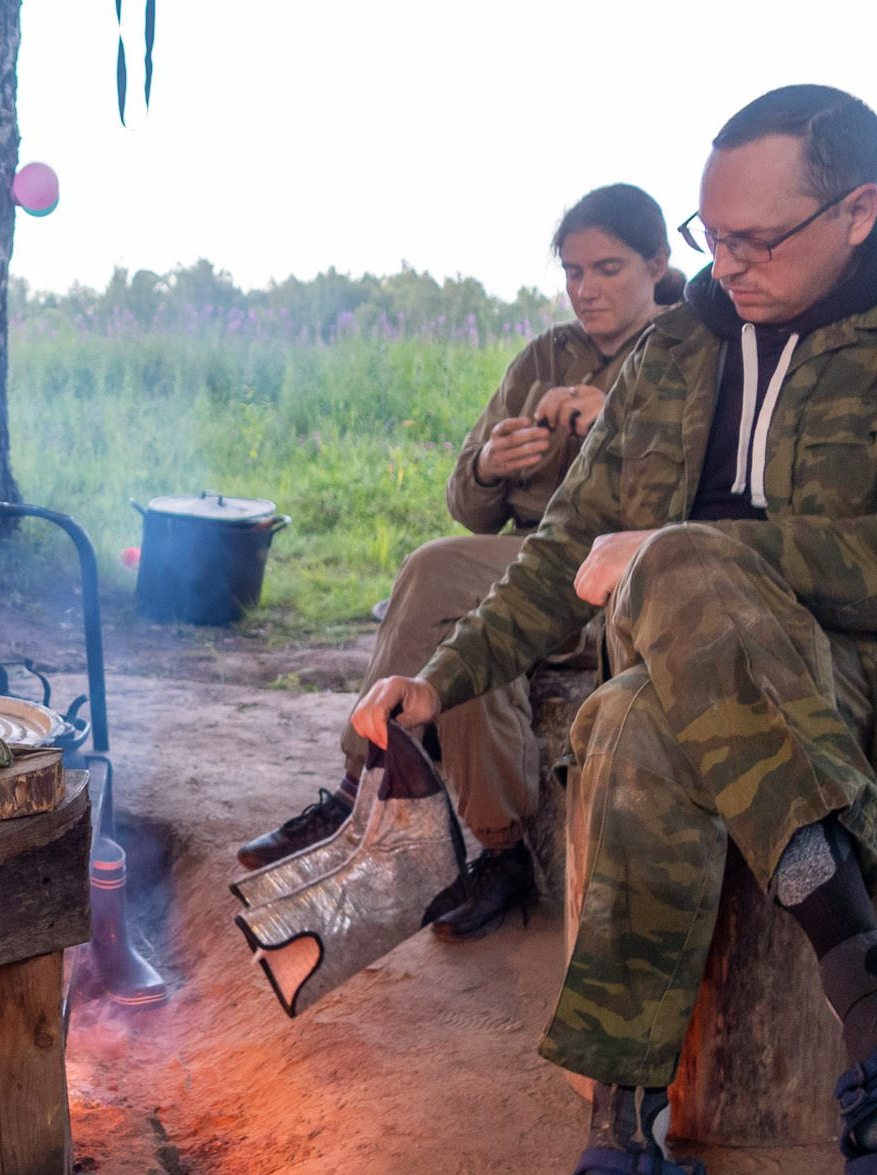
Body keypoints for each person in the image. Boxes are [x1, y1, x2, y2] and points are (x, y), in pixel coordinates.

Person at [353, 86, 877, 1175]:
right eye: (709, 233)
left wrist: (687, 554)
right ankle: (872, 995)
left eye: (754, 241)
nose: (720, 265)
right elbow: (566, 543)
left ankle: (623, 1126)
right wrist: (438, 675)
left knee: (639, 678)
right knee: (641, 677)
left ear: (856, 209)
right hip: (700, 693)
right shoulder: (684, 343)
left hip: (866, 700)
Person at [237, 184, 684, 940]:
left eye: (607, 269)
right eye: (573, 271)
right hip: (529, 563)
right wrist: (488, 467)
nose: (587, 289)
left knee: (438, 570)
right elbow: (468, 507)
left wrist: (614, 427)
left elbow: (689, 504)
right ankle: (502, 853)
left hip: (624, 575)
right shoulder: (545, 355)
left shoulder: (683, 357)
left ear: (657, 263)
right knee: (472, 638)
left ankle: (360, 785)